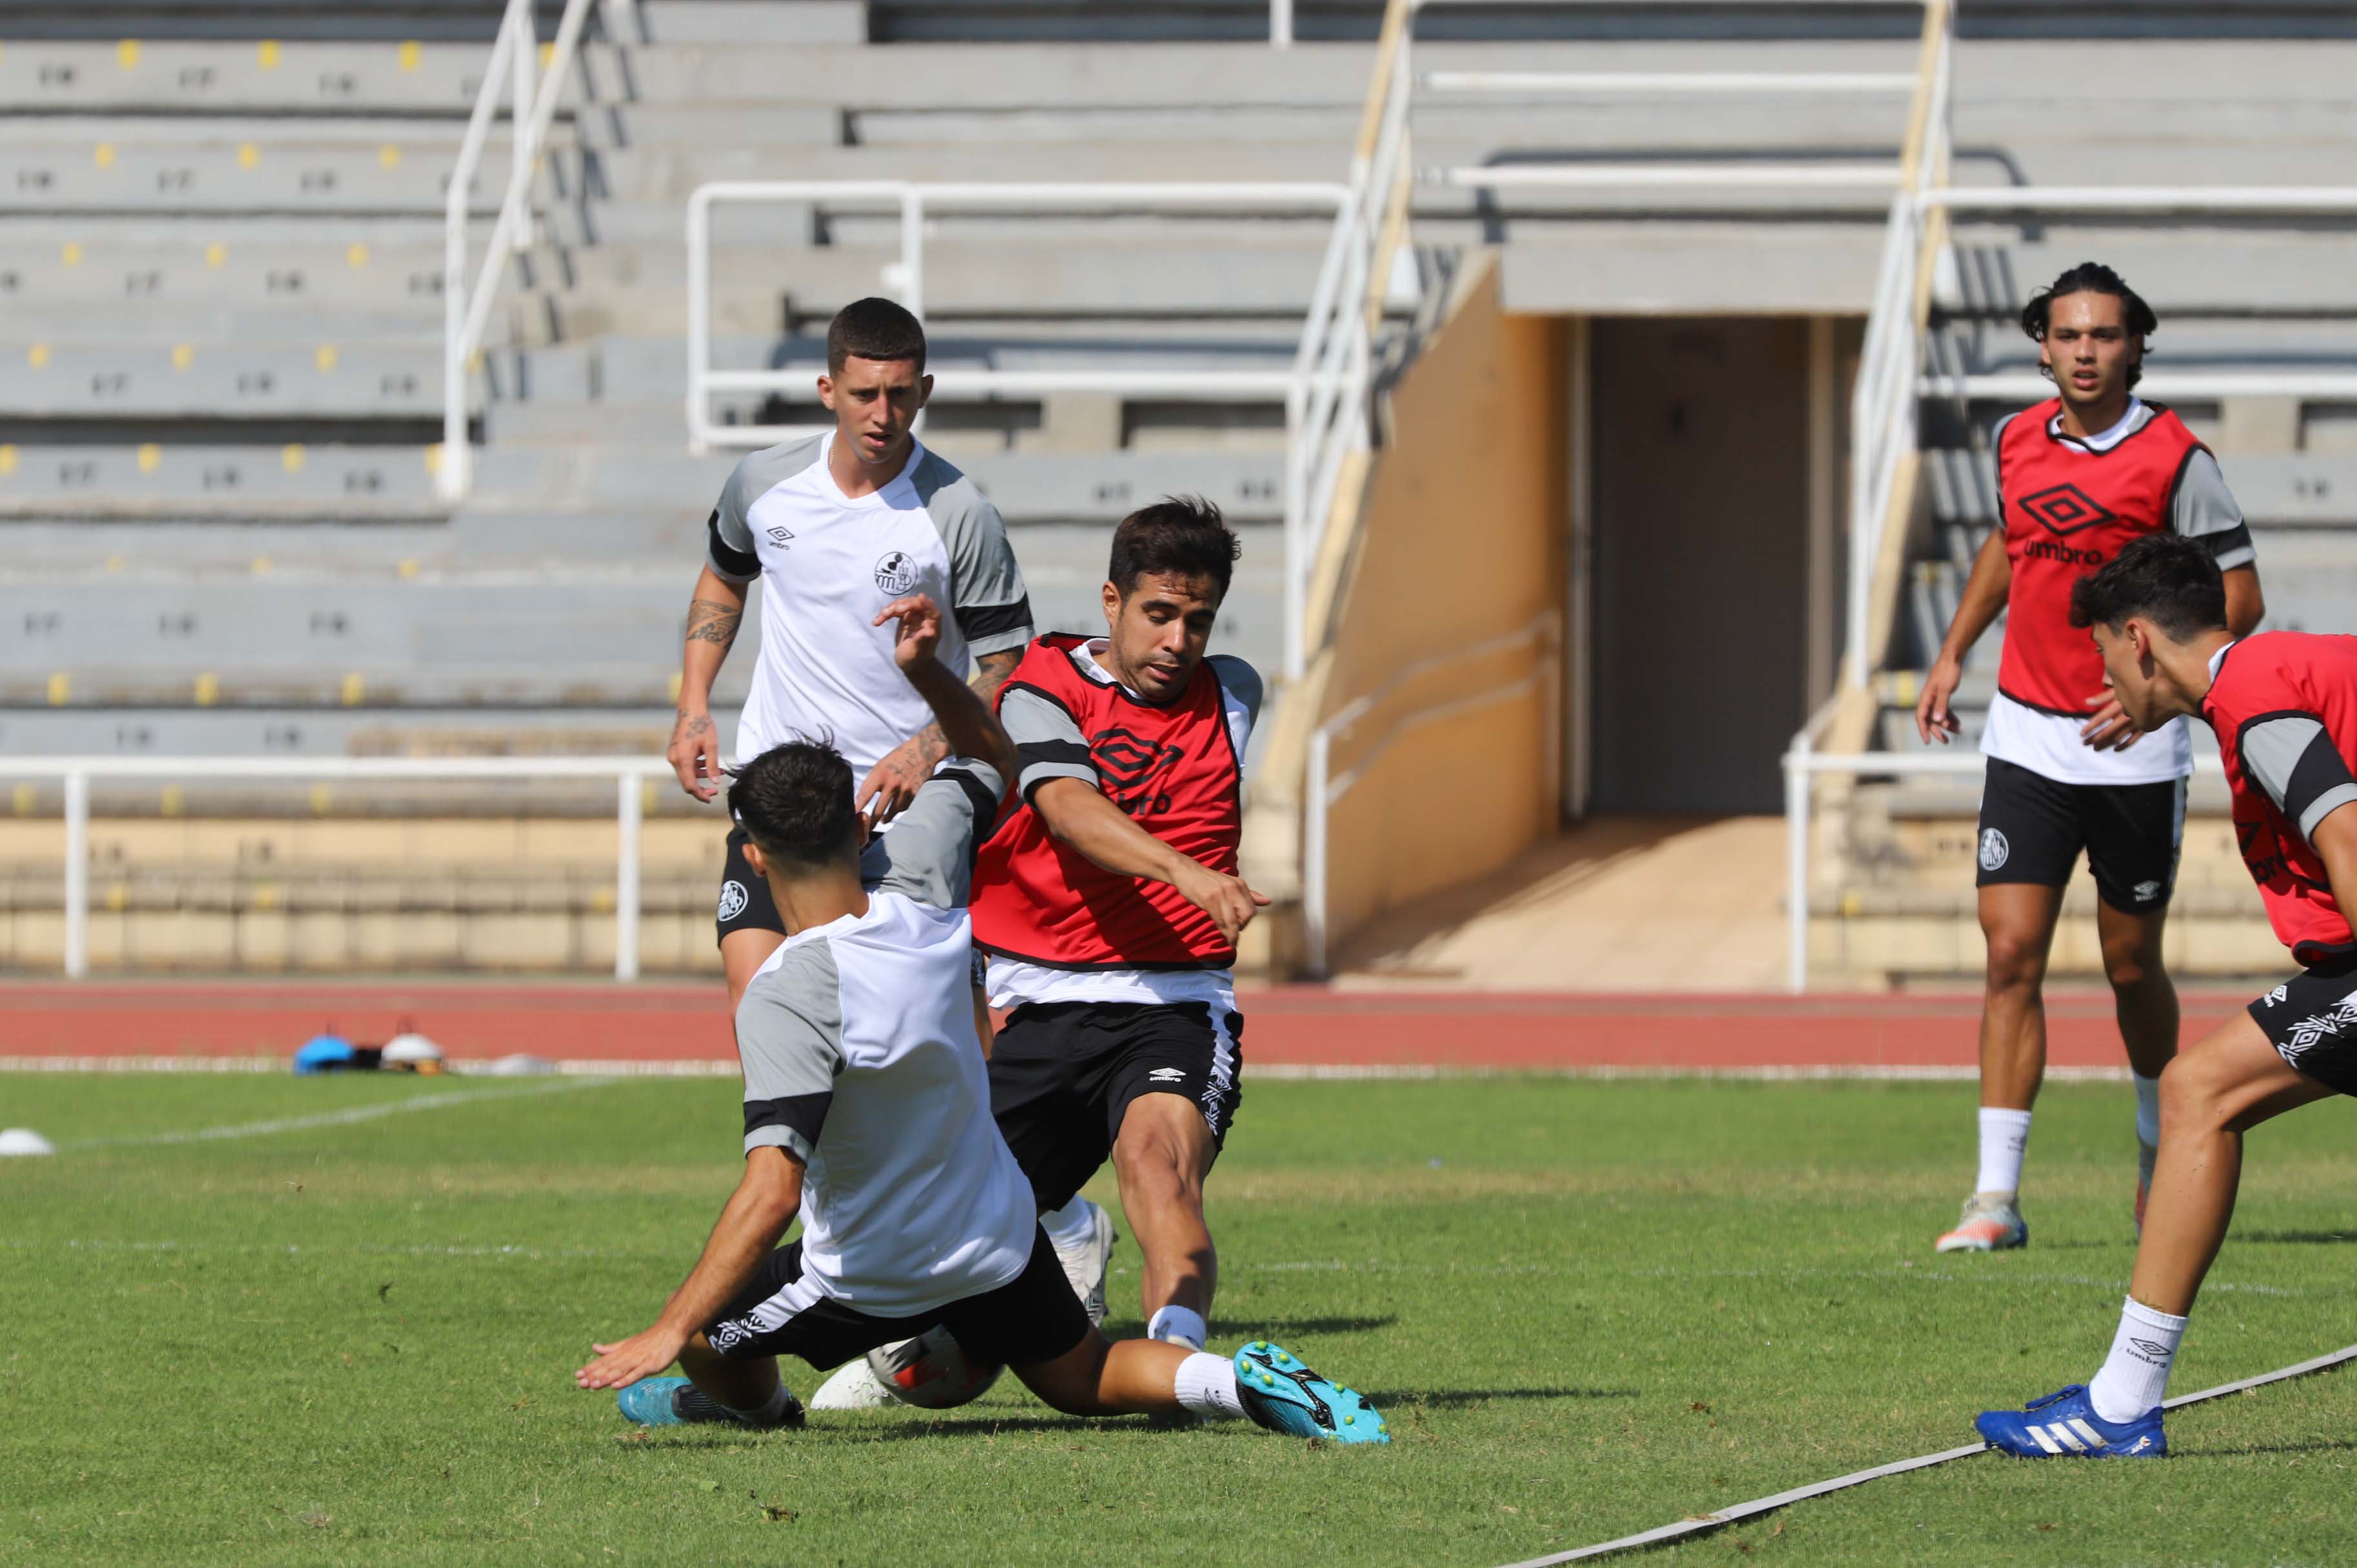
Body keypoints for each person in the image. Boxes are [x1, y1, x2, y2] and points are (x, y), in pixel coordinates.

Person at [576, 594, 1385, 1447]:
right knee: (1083, 1378)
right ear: (859, 821)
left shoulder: (785, 990)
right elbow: (993, 749)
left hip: (877, 1273)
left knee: (708, 1340)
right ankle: (1239, 1384)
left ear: (752, 855)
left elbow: (774, 1185)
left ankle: (766, 1410)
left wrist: (668, 1329)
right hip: (996, 1232)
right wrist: (927, 674)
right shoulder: (931, 900)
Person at [807, 497, 1267, 1411]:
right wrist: (1190, 875)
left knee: (1155, 1165)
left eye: (1198, 620)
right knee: (945, 1251)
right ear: (1110, 600)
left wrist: (1181, 882)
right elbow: (1065, 807)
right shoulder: (1037, 686)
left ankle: (1179, 1363)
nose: (1179, 640)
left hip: (1175, 1005)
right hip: (1042, 1004)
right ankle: (795, 1363)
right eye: (1158, 614)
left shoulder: (1237, 690)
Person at [1913, 262, 2265, 1253]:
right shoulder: (2014, 439)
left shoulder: (2175, 459)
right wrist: (1951, 652)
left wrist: (2152, 699)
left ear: (2133, 347)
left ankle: (2158, 1150)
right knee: (2009, 954)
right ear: (2040, 344)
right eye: (2066, 335)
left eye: (2102, 336)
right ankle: (1993, 1199)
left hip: (2130, 751)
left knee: (2124, 966)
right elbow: (2008, 544)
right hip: (2024, 733)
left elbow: (2239, 601)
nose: (2082, 351)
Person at [1978, 535, 2353, 1457]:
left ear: (2135, 639)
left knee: (2194, 1090)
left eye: (2101, 651)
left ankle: (2118, 1409)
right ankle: (2119, 1403)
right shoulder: (2266, 676)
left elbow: (2345, 834)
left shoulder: (2254, 689)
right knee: (2197, 1088)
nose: (2102, 675)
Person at [665, 296, 1034, 1017]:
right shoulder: (762, 483)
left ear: (924, 392)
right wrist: (693, 706)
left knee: (903, 1021)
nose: (882, 413)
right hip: (781, 790)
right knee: (762, 999)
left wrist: (925, 750)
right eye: (864, 393)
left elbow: (1008, 665)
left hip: (906, 812)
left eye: (901, 395)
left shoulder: (960, 512)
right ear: (827, 390)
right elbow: (723, 576)